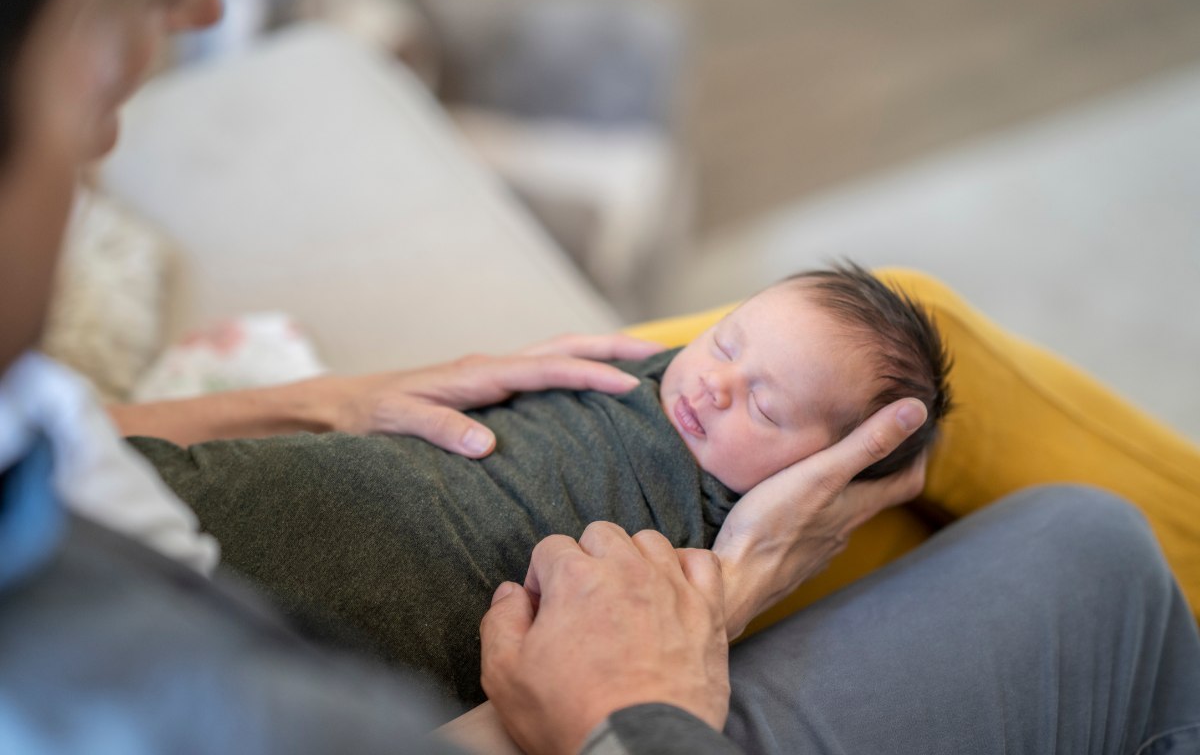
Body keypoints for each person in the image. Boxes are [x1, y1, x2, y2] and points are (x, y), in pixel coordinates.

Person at [2, 0, 1197, 755]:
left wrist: (321, 398)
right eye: (116, 12)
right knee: (1094, 552)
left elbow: (60, 427)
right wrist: (623, 708)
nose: (207, 7)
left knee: (905, 351)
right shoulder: (157, 688)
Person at [127, 264, 952, 707]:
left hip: (394, 617)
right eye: (726, 344)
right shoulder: (652, 375)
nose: (715, 386)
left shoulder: (722, 519)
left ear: (818, 477)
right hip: (285, 498)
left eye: (765, 407)